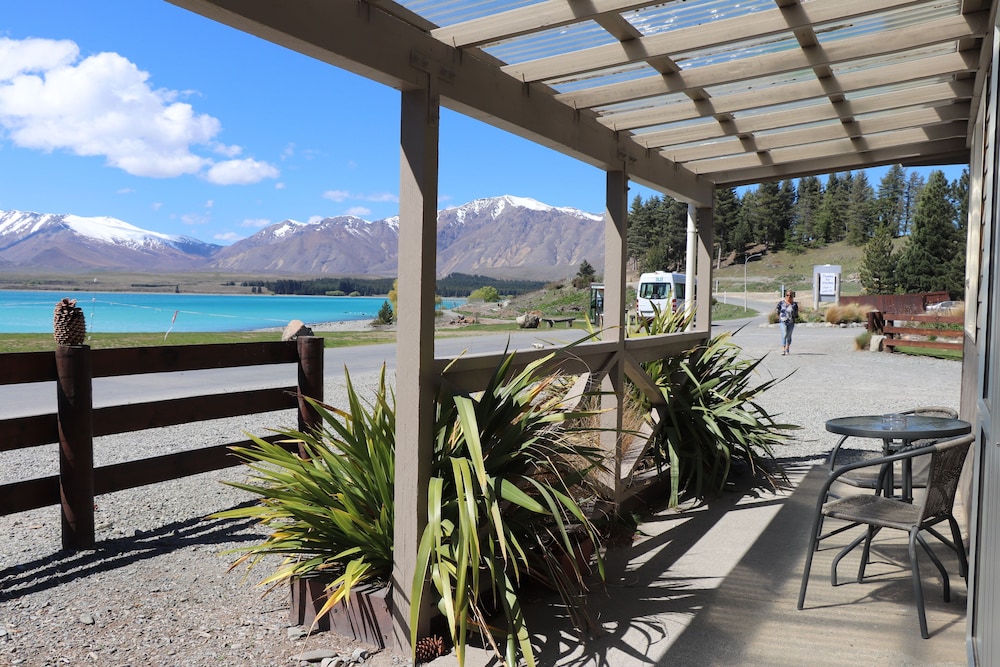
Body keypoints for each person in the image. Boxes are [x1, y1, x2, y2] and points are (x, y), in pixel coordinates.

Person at [776, 290, 799, 355]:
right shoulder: (781, 303)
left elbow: (796, 313)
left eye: (790, 295)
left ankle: (787, 348)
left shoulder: (794, 304)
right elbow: (777, 310)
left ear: (792, 296)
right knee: (784, 334)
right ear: (785, 296)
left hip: (791, 322)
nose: (789, 297)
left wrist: (795, 318)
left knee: (789, 336)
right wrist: (780, 317)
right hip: (783, 321)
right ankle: (783, 349)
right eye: (787, 295)